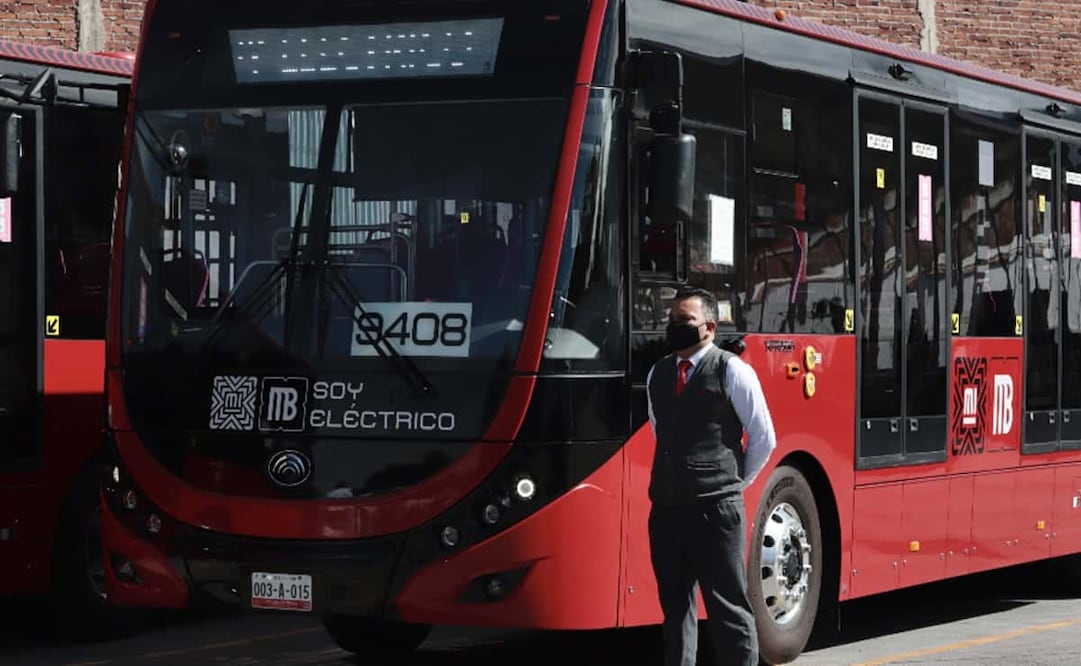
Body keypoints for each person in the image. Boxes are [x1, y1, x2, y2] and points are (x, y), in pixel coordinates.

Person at [645, 285, 777, 666]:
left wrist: (731, 484)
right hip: (668, 509)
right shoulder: (659, 374)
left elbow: (763, 437)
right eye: (671, 321)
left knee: (728, 608)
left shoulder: (732, 369)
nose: (675, 328)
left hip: (716, 510)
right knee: (675, 611)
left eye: (684, 321)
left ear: (709, 327)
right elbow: (662, 432)